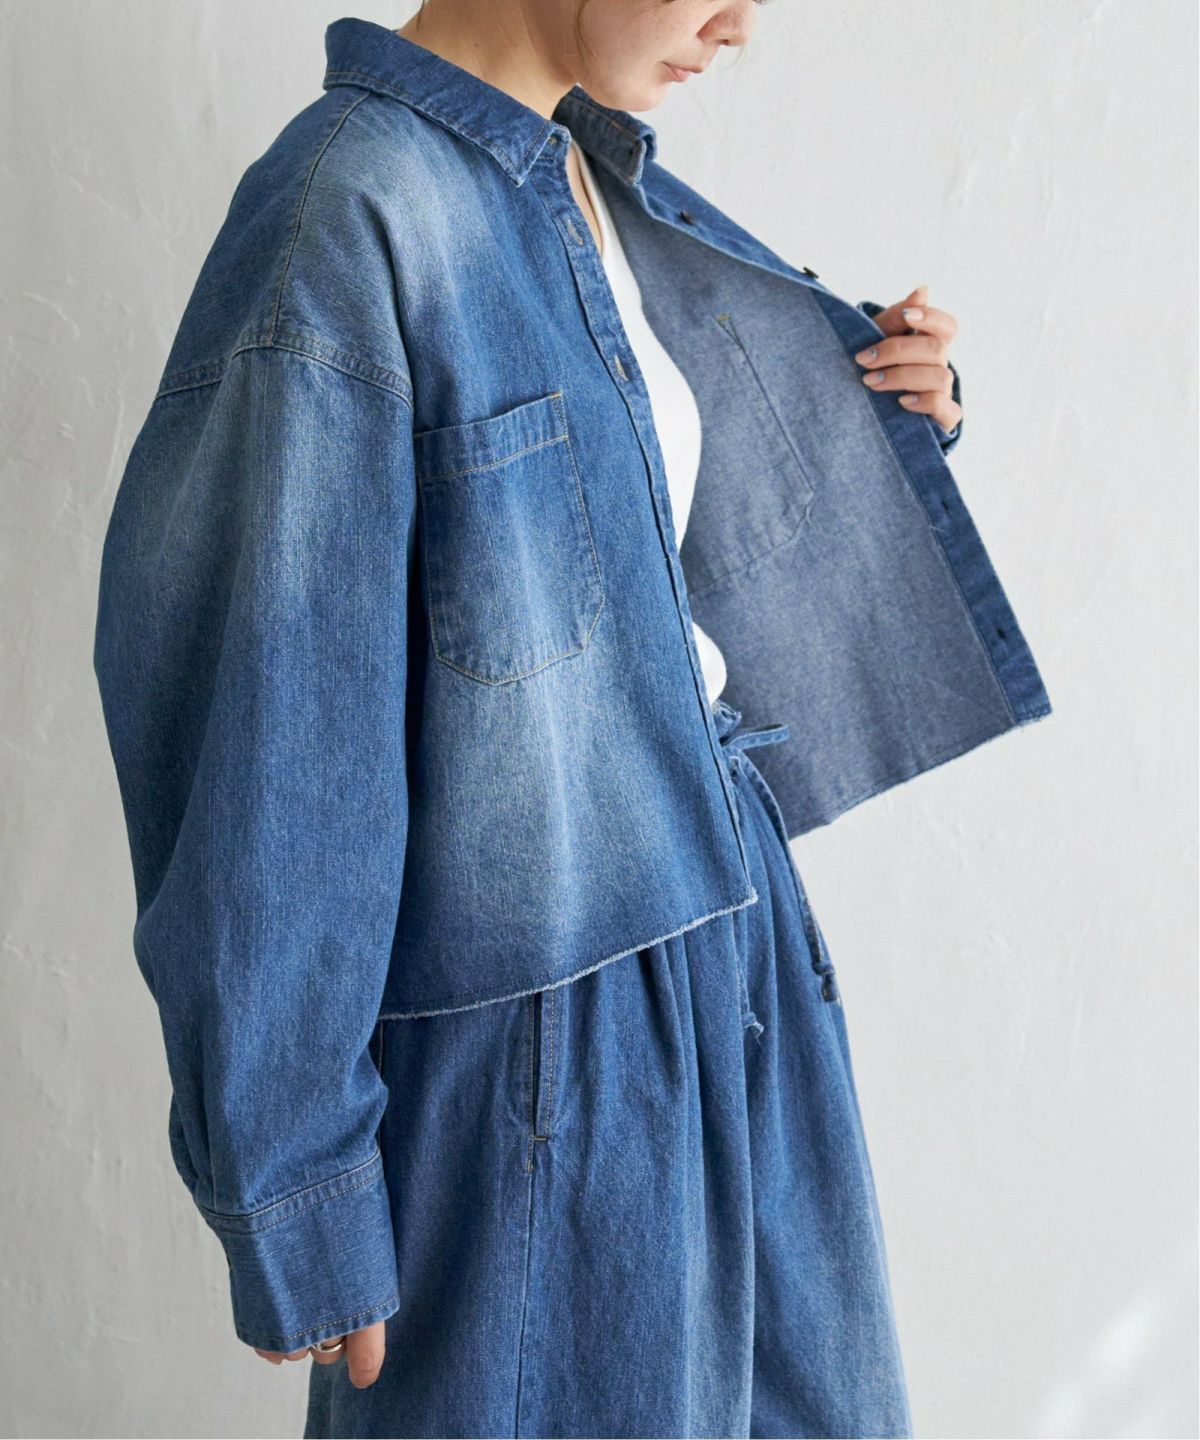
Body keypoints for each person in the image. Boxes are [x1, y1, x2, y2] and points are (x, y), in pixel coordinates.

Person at [92, 4, 1052, 1437]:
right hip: (540, 1050)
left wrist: (892, 403)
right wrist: (296, 1175)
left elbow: (626, 559)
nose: (738, 25)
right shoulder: (346, 212)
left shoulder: (580, 178)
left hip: (737, 949)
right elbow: (266, 707)